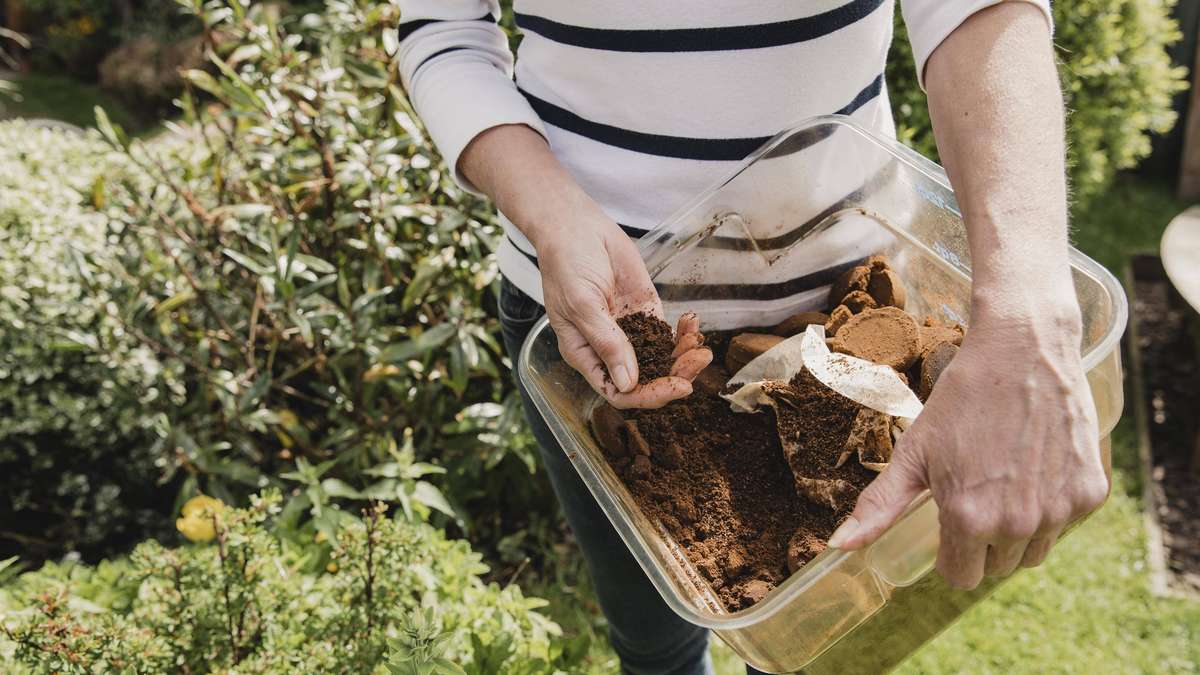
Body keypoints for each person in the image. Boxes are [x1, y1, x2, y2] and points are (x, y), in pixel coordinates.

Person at [397, 2, 1110, 673]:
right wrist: (552, 215)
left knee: (820, 647)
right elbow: (442, 28)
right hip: (598, 328)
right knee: (655, 641)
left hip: (849, 321)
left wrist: (1026, 320)